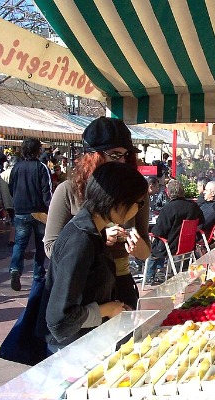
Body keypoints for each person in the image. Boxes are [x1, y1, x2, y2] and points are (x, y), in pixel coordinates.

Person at [38, 162, 147, 352]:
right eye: (139, 203)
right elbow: (60, 320)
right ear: (119, 201)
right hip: (73, 350)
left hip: (85, 342)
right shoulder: (81, 240)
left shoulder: (92, 232)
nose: (138, 209)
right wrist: (108, 309)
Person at [44, 117, 151, 310]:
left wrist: (137, 246)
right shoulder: (68, 190)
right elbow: (52, 248)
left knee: (127, 339)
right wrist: (98, 239)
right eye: (116, 155)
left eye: (127, 155)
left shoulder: (135, 193)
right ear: (92, 157)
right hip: (83, 289)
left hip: (122, 282)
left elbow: (145, 253)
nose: (123, 161)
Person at [9, 138, 53, 291]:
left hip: (21, 211)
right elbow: (47, 192)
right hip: (39, 212)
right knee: (40, 244)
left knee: (19, 244)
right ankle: (38, 276)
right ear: (37, 151)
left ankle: (15, 269)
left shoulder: (17, 167)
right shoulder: (41, 168)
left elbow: (11, 187)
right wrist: (51, 210)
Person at [147, 180, 204, 285]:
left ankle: (149, 277)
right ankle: (164, 272)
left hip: (171, 246)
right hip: (189, 245)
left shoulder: (168, 209)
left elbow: (159, 231)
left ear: (168, 193)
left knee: (152, 248)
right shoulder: (193, 206)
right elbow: (201, 221)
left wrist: (151, 231)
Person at [0, 156, 17, 246]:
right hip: (16, 202)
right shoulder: (17, 174)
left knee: (13, 219)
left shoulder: (2, 174)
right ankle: (12, 239)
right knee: (15, 221)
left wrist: (0, 201)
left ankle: (12, 238)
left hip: (7, 202)